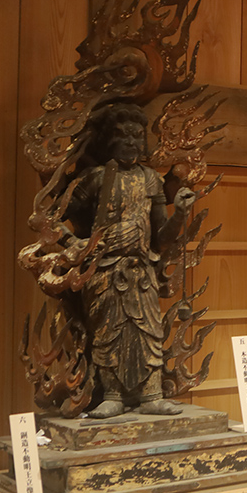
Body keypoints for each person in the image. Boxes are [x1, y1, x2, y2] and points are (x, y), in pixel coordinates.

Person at [65, 104, 196, 418]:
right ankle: (111, 395)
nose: (130, 142)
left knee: (149, 333)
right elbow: (60, 219)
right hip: (107, 270)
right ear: (108, 140)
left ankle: (151, 396)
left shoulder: (150, 179)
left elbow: (161, 238)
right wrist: (79, 245)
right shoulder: (95, 178)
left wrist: (179, 213)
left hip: (142, 270)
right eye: (122, 135)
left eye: (137, 136)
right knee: (109, 333)